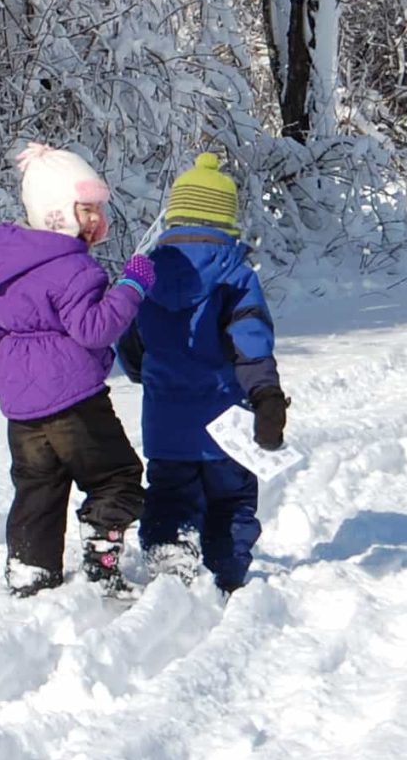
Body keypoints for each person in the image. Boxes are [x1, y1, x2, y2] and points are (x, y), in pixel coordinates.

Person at [0, 142, 156, 597]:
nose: (97, 219)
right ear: (59, 214)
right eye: (87, 209)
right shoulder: (75, 269)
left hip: (21, 407)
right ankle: (101, 556)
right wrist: (132, 285)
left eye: (98, 209)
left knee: (38, 487)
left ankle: (31, 568)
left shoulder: (9, 266)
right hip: (75, 403)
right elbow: (93, 329)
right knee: (117, 478)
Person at [118, 153, 288, 592]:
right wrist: (266, 396)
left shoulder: (146, 273)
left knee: (170, 495)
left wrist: (149, 372)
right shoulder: (235, 276)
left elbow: (130, 347)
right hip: (225, 425)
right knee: (230, 499)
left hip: (166, 423)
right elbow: (250, 345)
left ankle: (170, 557)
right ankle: (227, 570)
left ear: (173, 213)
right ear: (226, 218)